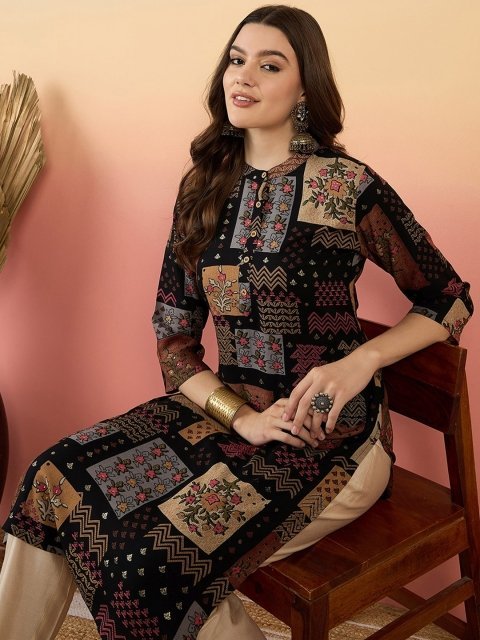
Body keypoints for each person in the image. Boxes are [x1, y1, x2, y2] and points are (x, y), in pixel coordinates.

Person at [0, 5, 473, 640]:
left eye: (269, 65)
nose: (242, 76)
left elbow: (449, 298)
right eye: (236, 59)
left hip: (326, 442)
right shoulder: (204, 187)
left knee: (150, 561)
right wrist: (241, 416)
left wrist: (361, 361)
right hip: (225, 418)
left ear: (304, 88)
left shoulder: (346, 187)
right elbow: (173, 340)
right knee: (53, 476)